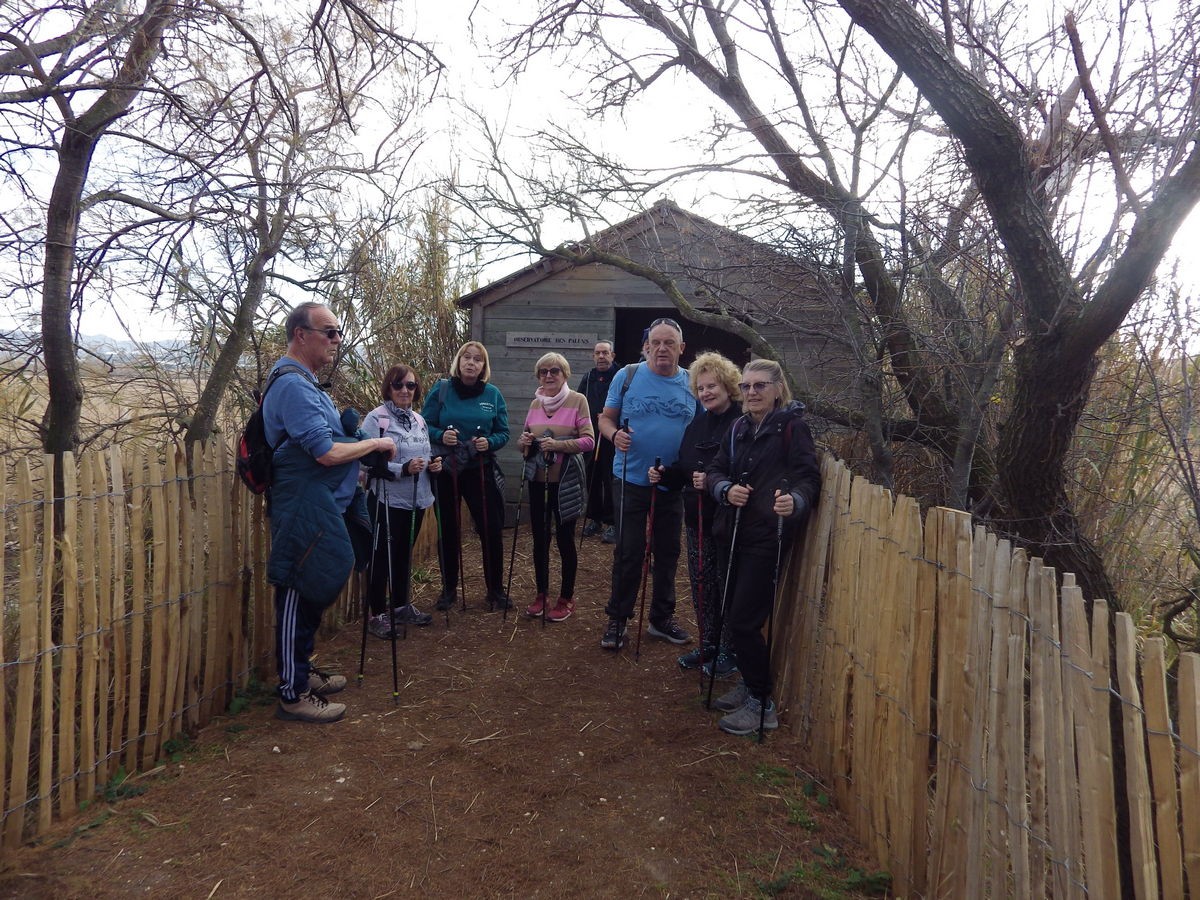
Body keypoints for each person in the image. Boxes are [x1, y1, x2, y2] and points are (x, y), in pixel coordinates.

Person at [263, 302, 396, 724]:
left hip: (320, 504)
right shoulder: (294, 386)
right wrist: (372, 445)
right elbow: (324, 452)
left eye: (338, 333)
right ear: (301, 335)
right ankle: (292, 694)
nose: (337, 340)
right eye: (330, 332)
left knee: (315, 587)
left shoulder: (307, 383)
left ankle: (302, 675)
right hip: (303, 507)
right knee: (298, 592)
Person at [705, 359, 821, 736]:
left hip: (765, 537)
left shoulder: (792, 428)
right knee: (730, 613)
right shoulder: (737, 428)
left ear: (777, 389)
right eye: (746, 386)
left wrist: (796, 502)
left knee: (743, 619)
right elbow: (716, 470)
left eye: (759, 386)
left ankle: (761, 702)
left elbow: (808, 477)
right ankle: (749, 684)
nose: (752, 392)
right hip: (731, 532)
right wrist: (725, 490)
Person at [597, 316, 696, 651]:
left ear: (682, 348)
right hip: (629, 477)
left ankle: (660, 619)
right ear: (646, 346)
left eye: (669, 342)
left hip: (673, 482)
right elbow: (605, 419)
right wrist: (615, 435)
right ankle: (618, 619)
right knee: (629, 551)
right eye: (656, 342)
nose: (662, 348)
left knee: (668, 551)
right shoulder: (627, 377)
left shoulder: (693, 383)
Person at [648, 351, 742, 677]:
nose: (706, 393)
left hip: (728, 522)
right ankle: (709, 642)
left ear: (728, 385)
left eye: (712, 386)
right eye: (701, 388)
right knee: (702, 583)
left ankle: (730, 650)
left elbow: (746, 471)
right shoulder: (698, 423)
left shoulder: (742, 422)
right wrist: (665, 475)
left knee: (725, 583)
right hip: (697, 519)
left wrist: (715, 482)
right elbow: (687, 469)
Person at [423, 341, 511, 610]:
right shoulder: (442, 389)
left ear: (484, 366)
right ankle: (449, 590)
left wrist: (490, 442)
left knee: (490, 529)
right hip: (447, 469)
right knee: (448, 529)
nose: (471, 363)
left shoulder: (492, 394)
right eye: (467, 358)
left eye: (477, 359)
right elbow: (424, 423)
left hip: (479, 468)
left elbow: (503, 432)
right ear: (459, 362)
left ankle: (495, 590)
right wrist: (441, 435)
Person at [361, 364, 443, 638]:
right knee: (380, 557)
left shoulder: (419, 420)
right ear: (389, 388)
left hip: (416, 500)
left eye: (410, 385)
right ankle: (376, 614)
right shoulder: (377, 420)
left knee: (402, 554)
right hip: (386, 500)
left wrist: (433, 465)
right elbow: (365, 464)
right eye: (399, 385)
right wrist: (402, 469)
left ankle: (399, 605)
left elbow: (426, 453)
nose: (405, 390)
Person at [517, 353, 595, 622]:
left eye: (554, 371)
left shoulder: (578, 401)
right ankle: (542, 594)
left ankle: (566, 597)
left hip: (566, 483)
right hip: (538, 481)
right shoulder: (535, 403)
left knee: (564, 539)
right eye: (543, 372)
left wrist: (558, 445)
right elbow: (524, 443)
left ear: (565, 374)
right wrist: (525, 441)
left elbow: (588, 441)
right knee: (540, 539)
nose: (548, 376)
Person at [577, 340, 617, 543]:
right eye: (597, 353)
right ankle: (594, 518)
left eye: (605, 353)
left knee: (610, 480)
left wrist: (610, 418)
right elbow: (579, 402)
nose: (601, 357)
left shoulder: (621, 376)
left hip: (611, 437)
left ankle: (612, 522)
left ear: (612, 355)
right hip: (591, 436)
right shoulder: (589, 377)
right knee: (591, 478)